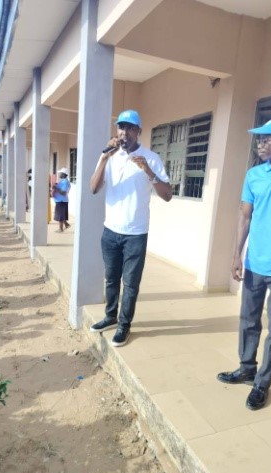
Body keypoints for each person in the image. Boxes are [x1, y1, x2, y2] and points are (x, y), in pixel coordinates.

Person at [217, 116, 271, 410]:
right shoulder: (255, 175)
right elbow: (245, 216)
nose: (260, 142)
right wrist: (236, 255)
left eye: (267, 138)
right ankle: (246, 368)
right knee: (248, 321)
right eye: (259, 138)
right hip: (254, 264)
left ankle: (262, 383)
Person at [89, 109, 172, 347]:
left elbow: (167, 196)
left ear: (138, 131)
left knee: (131, 284)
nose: (124, 133)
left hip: (136, 233)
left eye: (129, 128)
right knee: (111, 279)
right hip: (110, 231)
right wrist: (105, 157)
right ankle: (110, 317)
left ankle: (124, 326)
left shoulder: (151, 158)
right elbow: (94, 188)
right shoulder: (110, 156)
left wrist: (148, 171)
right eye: (120, 128)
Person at [52, 168, 71, 232]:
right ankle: (66, 224)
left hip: (61, 201)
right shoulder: (62, 181)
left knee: (60, 215)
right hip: (60, 200)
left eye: (60, 173)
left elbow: (63, 192)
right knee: (62, 214)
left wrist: (56, 188)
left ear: (64, 174)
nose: (59, 174)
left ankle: (61, 229)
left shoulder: (65, 182)